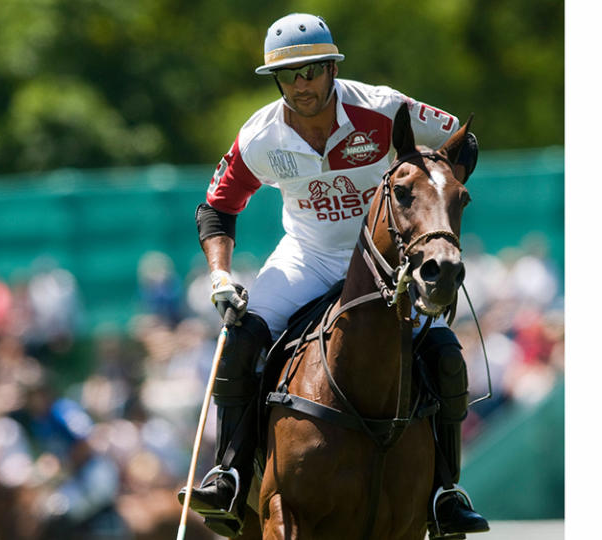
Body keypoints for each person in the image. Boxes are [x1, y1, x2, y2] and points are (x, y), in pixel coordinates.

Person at [178, 13, 488, 538]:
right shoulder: (261, 136)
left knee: (445, 357)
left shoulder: (383, 108)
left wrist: (431, 195)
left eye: (313, 70)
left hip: (387, 260)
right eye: (290, 75)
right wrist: (220, 277)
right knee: (241, 337)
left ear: (332, 68)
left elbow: (463, 145)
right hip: (308, 256)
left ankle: (444, 492)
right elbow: (216, 209)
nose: (303, 84)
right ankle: (229, 474)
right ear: (277, 79)